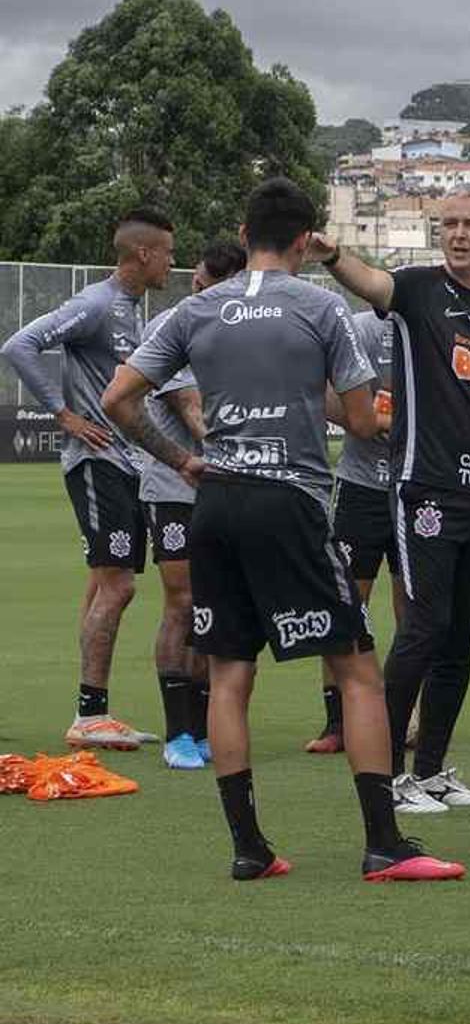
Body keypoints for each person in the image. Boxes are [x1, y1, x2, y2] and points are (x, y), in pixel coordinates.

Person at [101, 177, 461, 883]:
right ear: (305, 240)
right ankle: (384, 841)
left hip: (217, 503)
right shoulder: (324, 308)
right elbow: (359, 423)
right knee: (357, 668)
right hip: (290, 500)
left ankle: (249, 847)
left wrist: (180, 458)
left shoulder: (195, 308)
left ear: (242, 234)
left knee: (232, 674)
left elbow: (119, 399)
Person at [315, 186, 470, 815]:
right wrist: (331, 255)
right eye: (449, 223)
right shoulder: (420, 287)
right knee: (422, 627)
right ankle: (391, 777)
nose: (458, 234)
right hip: (424, 485)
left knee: (460, 637)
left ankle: (430, 771)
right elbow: (372, 284)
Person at [4, 208, 176, 749]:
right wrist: (63, 414)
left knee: (106, 583)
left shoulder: (130, 313)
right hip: (98, 462)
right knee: (118, 586)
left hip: (126, 463)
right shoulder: (97, 304)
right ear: (144, 254)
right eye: (168, 253)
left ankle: (92, 714)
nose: (172, 263)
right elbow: (18, 346)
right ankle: (89, 713)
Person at [140, 240, 248, 768]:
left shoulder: (245, 329)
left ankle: (205, 727)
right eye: (197, 284)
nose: (198, 293)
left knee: (215, 604)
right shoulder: (173, 327)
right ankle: (176, 732)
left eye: (209, 287)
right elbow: (191, 410)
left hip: (228, 487)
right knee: (182, 602)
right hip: (176, 486)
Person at [307, 303, 401, 755]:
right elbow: (328, 395)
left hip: (415, 489)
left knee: (415, 613)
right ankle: (338, 722)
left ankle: (404, 718)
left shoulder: (431, 330)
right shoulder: (360, 329)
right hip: (361, 488)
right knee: (344, 604)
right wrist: (378, 419)